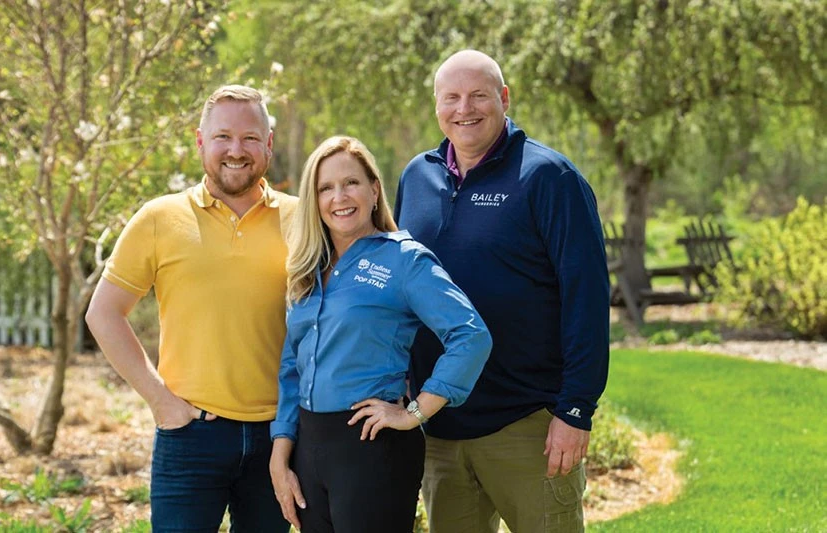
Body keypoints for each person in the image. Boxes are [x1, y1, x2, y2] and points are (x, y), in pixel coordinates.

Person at [394, 50, 610, 532]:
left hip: (528, 424)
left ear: (504, 98)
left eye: (478, 95)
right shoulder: (416, 178)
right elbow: (400, 289)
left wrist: (575, 411)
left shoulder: (549, 178)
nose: (464, 108)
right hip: (440, 424)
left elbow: (588, 300)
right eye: (451, 97)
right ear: (436, 105)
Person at [85, 85, 297, 533]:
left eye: (250, 138)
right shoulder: (159, 218)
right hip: (190, 434)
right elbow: (103, 313)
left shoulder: (304, 220)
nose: (236, 151)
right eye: (222, 137)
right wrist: (161, 402)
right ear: (200, 142)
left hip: (280, 439)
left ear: (269, 144)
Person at [268, 136, 492, 533]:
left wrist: (415, 412)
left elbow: (470, 335)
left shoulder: (405, 259)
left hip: (372, 447)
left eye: (351, 182)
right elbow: (292, 369)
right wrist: (280, 454)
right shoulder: (306, 271)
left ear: (374, 190)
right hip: (308, 449)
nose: (339, 196)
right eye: (325, 188)